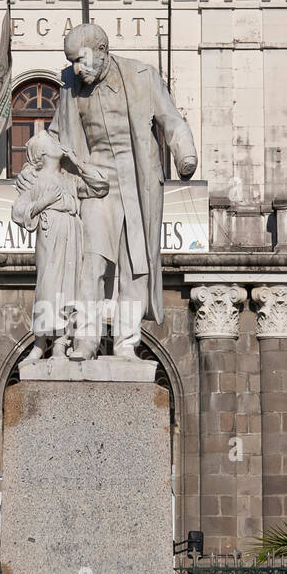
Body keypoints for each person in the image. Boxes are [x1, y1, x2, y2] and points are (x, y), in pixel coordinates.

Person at [49, 22, 198, 360]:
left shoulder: (142, 76)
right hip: (94, 183)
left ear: (102, 52)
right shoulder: (70, 85)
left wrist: (184, 154)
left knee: (136, 266)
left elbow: (171, 120)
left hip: (136, 181)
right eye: (72, 61)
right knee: (91, 261)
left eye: (82, 59)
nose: (77, 68)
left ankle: (126, 343)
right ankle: (86, 338)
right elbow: (57, 134)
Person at [12, 130, 107, 361]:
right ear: (42, 152)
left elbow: (100, 185)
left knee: (68, 289)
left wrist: (77, 162)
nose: (58, 144)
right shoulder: (33, 180)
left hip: (72, 230)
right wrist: (42, 202)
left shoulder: (69, 179)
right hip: (49, 231)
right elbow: (17, 211)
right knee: (48, 285)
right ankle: (39, 342)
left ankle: (59, 345)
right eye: (51, 141)